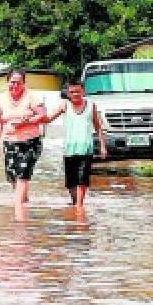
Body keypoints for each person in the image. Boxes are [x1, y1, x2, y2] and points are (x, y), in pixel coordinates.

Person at [39, 80, 108, 209]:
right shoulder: (64, 105)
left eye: (77, 91)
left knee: (82, 180)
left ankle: (79, 207)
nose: (75, 94)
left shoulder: (91, 105)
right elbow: (48, 119)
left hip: (85, 149)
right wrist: (37, 114)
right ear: (68, 93)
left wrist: (103, 146)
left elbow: (98, 127)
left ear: (83, 91)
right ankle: (76, 202)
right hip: (69, 149)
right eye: (72, 92)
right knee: (71, 183)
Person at [0, 70, 47, 218]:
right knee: (12, 176)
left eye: (18, 82)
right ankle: (24, 199)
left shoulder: (32, 97)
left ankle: (18, 212)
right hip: (9, 141)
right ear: (7, 82)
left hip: (30, 142)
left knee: (23, 174)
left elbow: (43, 116)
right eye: (12, 82)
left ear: (24, 83)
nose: (15, 85)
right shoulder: (1, 99)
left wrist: (25, 122)